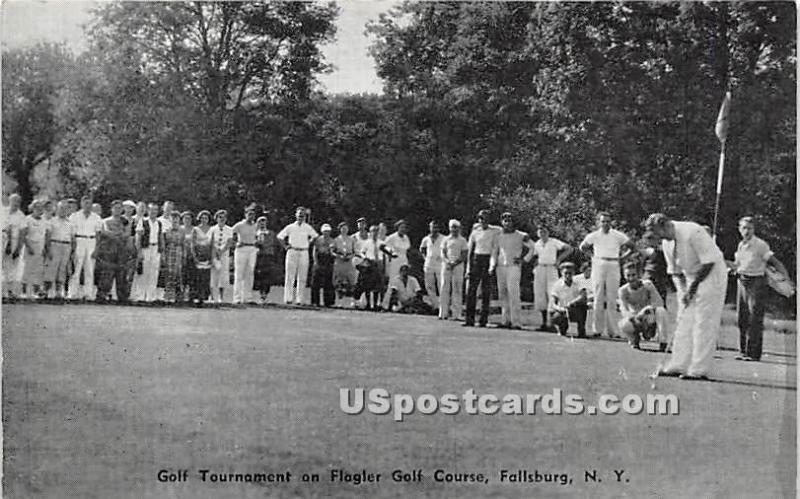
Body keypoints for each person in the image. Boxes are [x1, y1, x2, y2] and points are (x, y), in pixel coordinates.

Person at [645, 213, 727, 381]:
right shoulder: (667, 243)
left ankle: (699, 369)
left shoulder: (693, 232)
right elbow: (675, 271)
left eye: (659, 233)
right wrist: (684, 292)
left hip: (712, 276)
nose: (659, 238)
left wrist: (693, 288)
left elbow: (709, 262)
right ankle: (677, 364)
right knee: (683, 321)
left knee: (703, 322)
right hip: (689, 277)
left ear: (666, 225)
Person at [734, 216, 789, 362]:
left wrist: (785, 278)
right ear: (739, 229)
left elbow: (774, 262)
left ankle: (753, 353)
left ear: (754, 229)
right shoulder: (741, 245)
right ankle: (743, 351)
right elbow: (738, 264)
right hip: (742, 281)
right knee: (742, 317)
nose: (746, 231)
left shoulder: (760, 244)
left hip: (757, 282)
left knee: (755, 318)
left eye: (749, 228)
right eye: (744, 228)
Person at [579, 211, 635, 338]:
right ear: (599, 222)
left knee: (612, 297)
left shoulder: (617, 235)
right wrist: (592, 257)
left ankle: (613, 331)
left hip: (613, 264)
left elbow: (632, 246)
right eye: (603, 221)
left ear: (611, 223)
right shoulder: (594, 235)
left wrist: (622, 258)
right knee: (597, 296)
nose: (605, 224)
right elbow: (583, 247)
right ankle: (597, 330)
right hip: (598, 263)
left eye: (608, 221)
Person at [492, 212, 535, 329]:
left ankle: (516, 322)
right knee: (503, 294)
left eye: (509, 220)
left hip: (514, 267)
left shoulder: (521, 235)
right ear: (502, 222)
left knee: (514, 294)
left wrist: (524, 260)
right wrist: (492, 265)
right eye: (505, 220)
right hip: (500, 267)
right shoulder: (498, 236)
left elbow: (533, 247)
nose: (507, 223)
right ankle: (505, 320)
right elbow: (495, 252)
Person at [618, 262, 669, 351]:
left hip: (650, 317)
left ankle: (663, 342)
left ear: (639, 274)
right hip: (636, 319)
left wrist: (648, 309)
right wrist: (637, 316)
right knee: (623, 324)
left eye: (633, 275)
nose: (631, 278)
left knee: (661, 311)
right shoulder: (623, 290)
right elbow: (624, 311)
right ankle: (634, 339)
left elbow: (659, 302)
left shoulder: (647, 285)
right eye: (628, 275)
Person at [464, 209, 499, 328]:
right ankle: (469, 319)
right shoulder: (475, 231)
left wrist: (492, 266)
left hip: (487, 259)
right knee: (471, 291)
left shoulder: (494, 231)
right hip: (476, 260)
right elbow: (470, 250)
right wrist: (468, 268)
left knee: (486, 292)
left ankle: (483, 320)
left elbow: (494, 250)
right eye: (481, 218)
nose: (482, 221)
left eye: (485, 219)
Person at [277, 207, 318, 305]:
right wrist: (285, 246)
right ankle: (288, 298)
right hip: (292, 251)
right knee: (290, 276)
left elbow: (315, 236)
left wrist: (308, 242)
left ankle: (300, 299)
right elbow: (280, 237)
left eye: (302, 215)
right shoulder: (290, 227)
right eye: (299, 214)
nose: (301, 216)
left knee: (302, 276)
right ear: (296, 215)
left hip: (304, 252)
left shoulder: (308, 227)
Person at [531, 226, 569, 331]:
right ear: (537, 233)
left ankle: (552, 323)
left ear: (548, 232)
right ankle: (544, 323)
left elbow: (569, 248)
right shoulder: (537, 244)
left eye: (544, 231)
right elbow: (534, 256)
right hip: (540, 269)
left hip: (551, 268)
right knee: (540, 295)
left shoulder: (553, 242)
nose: (542, 233)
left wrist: (559, 260)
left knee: (552, 294)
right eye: (540, 231)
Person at [95, 200, 133, 303]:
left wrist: (115, 234)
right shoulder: (105, 221)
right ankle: (102, 295)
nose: (118, 210)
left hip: (122, 251)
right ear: (111, 209)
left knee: (122, 275)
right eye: (115, 208)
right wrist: (118, 234)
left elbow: (127, 234)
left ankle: (122, 297)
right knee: (107, 274)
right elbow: (105, 232)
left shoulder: (125, 221)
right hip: (109, 251)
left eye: (120, 208)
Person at [67, 196, 103, 300]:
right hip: (79, 241)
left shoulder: (96, 217)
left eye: (90, 203)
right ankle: (72, 293)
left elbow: (98, 234)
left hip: (91, 241)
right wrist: (73, 248)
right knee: (76, 269)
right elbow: (71, 234)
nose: (88, 205)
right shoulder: (74, 216)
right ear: (82, 204)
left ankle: (88, 294)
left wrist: (97, 249)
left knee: (90, 269)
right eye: (86, 203)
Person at [134, 203, 165, 302]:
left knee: (154, 273)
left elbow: (160, 237)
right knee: (143, 272)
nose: (154, 212)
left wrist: (162, 251)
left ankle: (150, 297)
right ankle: (140, 296)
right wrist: (139, 252)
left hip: (155, 248)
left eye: (156, 210)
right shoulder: (142, 221)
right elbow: (138, 238)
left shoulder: (159, 223)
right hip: (145, 248)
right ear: (148, 211)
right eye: (152, 210)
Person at [439, 219, 469, 321]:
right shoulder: (445, 239)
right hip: (446, 265)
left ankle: (457, 314)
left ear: (459, 228)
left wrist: (455, 263)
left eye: (456, 227)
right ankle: (443, 313)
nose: (454, 229)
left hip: (458, 266)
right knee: (444, 288)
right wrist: (448, 261)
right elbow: (443, 252)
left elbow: (464, 254)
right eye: (452, 227)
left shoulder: (463, 240)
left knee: (457, 289)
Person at [43, 201, 74, 299]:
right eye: (61, 208)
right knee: (51, 269)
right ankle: (46, 292)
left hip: (66, 246)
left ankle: (58, 292)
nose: (63, 211)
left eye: (65, 209)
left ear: (68, 210)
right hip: (54, 244)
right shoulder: (52, 221)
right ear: (57, 209)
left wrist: (72, 251)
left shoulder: (70, 223)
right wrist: (48, 249)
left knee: (62, 270)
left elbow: (72, 238)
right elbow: (47, 236)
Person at [549, 262, 588, 337]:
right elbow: (553, 303)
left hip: (575, 308)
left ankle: (581, 330)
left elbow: (583, 296)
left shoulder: (578, 282)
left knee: (583, 307)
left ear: (573, 273)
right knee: (556, 317)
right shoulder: (557, 284)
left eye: (570, 273)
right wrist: (560, 309)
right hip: (562, 310)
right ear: (561, 273)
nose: (567, 275)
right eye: (565, 273)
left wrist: (572, 303)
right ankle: (562, 328)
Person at [20, 200, 49, 298]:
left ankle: (35, 293)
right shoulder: (27, 219)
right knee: (27, 268)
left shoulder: (45, 221)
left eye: (41, 207)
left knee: (39, 270)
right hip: (30, 245)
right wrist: (28, 247)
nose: (40, 209)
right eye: (37, 207)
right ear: (32, 208)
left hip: (40, 246)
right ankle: (23, 292)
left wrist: (45, 248)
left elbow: (45, 236)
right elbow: (23, 235)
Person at [231, 204, 259, 304]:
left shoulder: (256, 226)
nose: (251, 216)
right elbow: (229, 233)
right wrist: (236, 243)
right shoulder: (239, 225)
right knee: (239, 274)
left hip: (252, 249)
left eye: (253, 214)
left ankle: (248, 298)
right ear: (245, 214)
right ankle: (237, 298)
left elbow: (258, 236)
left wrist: (257, 242)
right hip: (241, 249)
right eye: (249, 214)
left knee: (250, 273)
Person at [2, 194, 26, 298]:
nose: (16, 203)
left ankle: (10, 291)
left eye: (18, 201)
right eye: (14, 201)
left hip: (14, 241)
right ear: (9, 201)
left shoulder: (21, 216)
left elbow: (22, 233)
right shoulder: (2, 212)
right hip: (2, 238)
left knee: (11, 267)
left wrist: (18, 248)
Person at [253, 215, 280, 304]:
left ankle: (265, 295)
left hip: (268, 256)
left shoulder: (271, 233)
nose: (262, 223)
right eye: (260, 222)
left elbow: (272, 244)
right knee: (259, 276)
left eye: (264, 221)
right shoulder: (255, 233)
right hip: (258, 256)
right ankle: (260, 294)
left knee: (267, 276)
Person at [189, 210, 214, 304]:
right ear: (199, 219)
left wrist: (212, 257)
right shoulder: (195, 229)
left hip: (207, 255)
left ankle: (203, 297)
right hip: (198, 255)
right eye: (202, 218)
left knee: (206, 277)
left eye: (206, 218)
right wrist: (194, 256)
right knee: (197, 277)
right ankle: (196, 297)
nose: (204, 220)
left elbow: (212, 244)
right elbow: (192, 244)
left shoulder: (211, 229)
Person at [209, 210, 233, 303]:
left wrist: (222, 251)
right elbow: (210, 241)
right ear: (216, 218)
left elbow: (229, 242)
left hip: (224, 254)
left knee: (223, 275)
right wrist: (216, 251)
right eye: (220, 217)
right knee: (213, 275)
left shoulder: (229, 229)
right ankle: (211, 296)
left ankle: (221, 297)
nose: (222, 219)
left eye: (223, 217)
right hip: (213, 254)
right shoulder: (212, 229)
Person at [419, 220, 444, 311]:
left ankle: (443, 306)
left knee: (441, 285)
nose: (434, 229)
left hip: (440, 265)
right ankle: (436, 306)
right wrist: (425, 258)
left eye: (436, 227)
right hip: (428, 265)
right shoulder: (426, 239)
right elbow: (422, 249)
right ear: (430, 228)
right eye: (432, 227)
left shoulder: (443, 238)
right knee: (429, 286)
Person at [162, 211, 186, 302]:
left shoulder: (182, 230)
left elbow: (183, 244)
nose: (174, 221)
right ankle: (167, 296)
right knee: (169, 274)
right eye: (173, 219)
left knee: (178, 275)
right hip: (169, 252)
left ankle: (177, 297)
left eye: (176, 219)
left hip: (178, 253)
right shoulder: (166, 230)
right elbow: (164, 243)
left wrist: (184, 255)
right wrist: (163, 255)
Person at [641, 231, 670, 306]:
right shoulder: (647, 251)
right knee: (648, 298)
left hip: (660, 277)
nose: (654, 241)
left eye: (655, 239)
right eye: (651, 239)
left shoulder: (662, 250)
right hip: (650, 276)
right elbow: (642, 264)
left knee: (662, 298)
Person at [332, 221, 358, 306]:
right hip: (339, 263)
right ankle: (340, 301)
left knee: (351, 282)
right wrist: (339, 256)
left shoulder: (351, 239)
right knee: (339, 282)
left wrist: (350, 256)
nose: (344, 230)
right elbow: (332, 251)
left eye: (346, 228)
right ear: (340, 229)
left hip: (349, 263)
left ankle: (353, 301)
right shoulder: (336, 240)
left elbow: (355, 251)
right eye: (342, 228)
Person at [310, 223, 336, 307]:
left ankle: (328, 302)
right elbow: (314, 251)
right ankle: (315, 301)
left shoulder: (332, 241)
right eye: (325, 231)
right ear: (322, 231)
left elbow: (333, 253)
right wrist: (315, 262)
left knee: (328, 283)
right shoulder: (318, 240)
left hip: (328, 262)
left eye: (328, 231)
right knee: (315, 283)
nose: (326, 233)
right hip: (319, 261)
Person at [381, 219, 412, 286]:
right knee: (394, 279)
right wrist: (391, 254)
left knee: (403, 278)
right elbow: (383, 247)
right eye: (401, 227)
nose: (403, 229)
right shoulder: (392, 237)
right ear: (397, 228)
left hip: (404, 260)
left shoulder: (406, 238)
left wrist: (408, 262)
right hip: (395, 261)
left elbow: (407, 250)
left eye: (404, 227)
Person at [180, 211, 195, 301]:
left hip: (192, 256)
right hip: (181, 255)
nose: (187, 220)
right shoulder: (179, 228)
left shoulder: (195, 229)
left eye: (189, 218)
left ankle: (190, 296)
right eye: (185, 218)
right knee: (182, 276)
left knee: (191, 276)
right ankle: (181, 295)